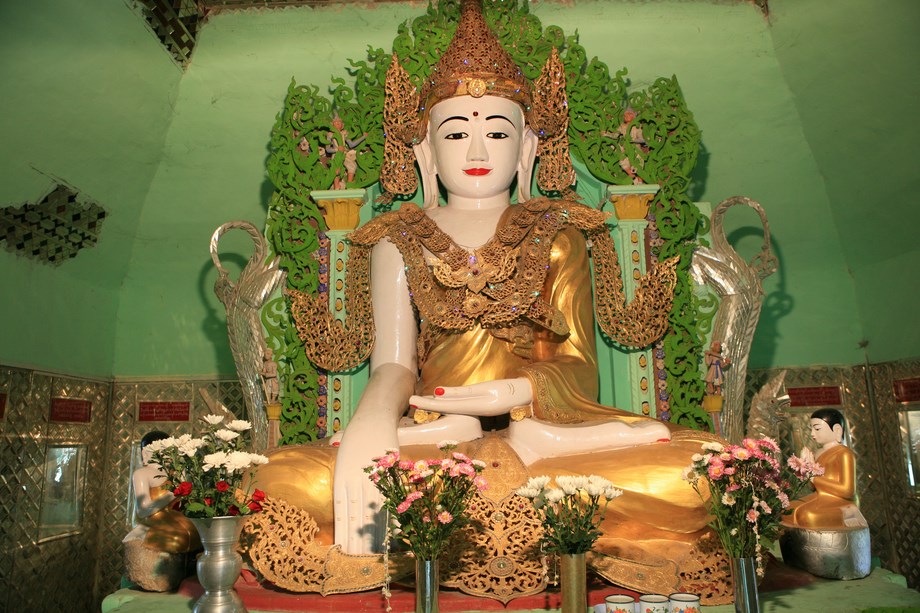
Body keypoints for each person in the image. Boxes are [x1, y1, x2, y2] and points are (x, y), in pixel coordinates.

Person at [282, 0, 718, 567]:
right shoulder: (398, 238)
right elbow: (393, 366)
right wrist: (371, 425)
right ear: (426, 151)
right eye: (457, 134)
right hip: (437, 436)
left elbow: (579, 363)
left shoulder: (558, 233)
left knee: (698, 470)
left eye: (496, 131)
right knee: (288, 480)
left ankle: (522, 457)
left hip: (543, 432)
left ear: (527, 147)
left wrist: (516, 392)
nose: (478, 151)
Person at [785, 408, 867, 529]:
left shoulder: (844, 453)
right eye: (811, 429)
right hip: (820, 496)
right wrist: (808, 469)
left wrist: (814, 478)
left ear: (837, 430)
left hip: (843, 503)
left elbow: (848, 491)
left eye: (817, 429)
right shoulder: (818, 453)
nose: (812, 434)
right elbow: (813, 488)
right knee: (787, 510)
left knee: (806, 516)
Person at [124, 431, 201, 554]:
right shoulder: (141, 473)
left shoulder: (174, 472)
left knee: (198, 533)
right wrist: (172, 494)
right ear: (145, 453)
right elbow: (142, 510)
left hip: (175, 516)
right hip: (154, 519)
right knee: (178, 539)